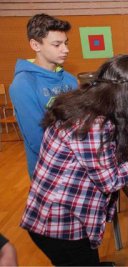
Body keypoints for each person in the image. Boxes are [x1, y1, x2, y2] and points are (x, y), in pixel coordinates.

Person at [20, 55, 128, 266]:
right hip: (59, 225)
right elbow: (109, 180)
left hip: (59, 218)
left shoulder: (90, 104)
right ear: (123, 95)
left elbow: (105, 155)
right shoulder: (93, 123)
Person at [9, 13, 78, 180]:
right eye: (57, 44)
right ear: (35, 45)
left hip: (77, 163)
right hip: (49, 169)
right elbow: (36, 137)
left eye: (66, 43)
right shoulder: (23, 84)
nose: (66, 49)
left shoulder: (69, 79)